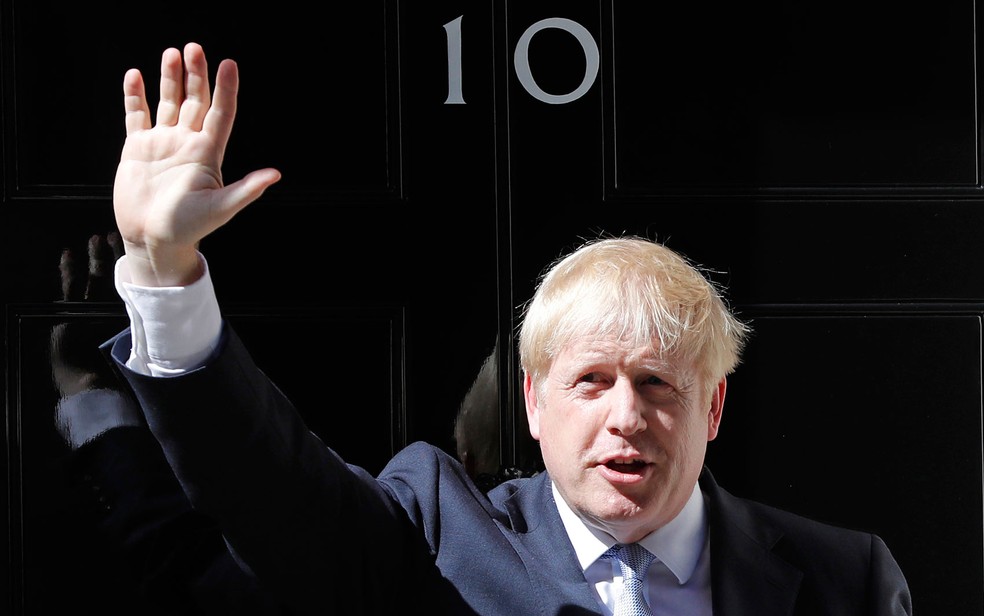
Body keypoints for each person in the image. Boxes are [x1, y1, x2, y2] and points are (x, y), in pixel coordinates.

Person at [103, 41, 912, 615]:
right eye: (590, 380)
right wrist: (167, 268)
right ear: (532, 402)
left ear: (714, 409)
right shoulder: (434, 529)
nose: (624, 416)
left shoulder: (848, 578)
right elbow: (268, 489)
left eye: (659, 383)